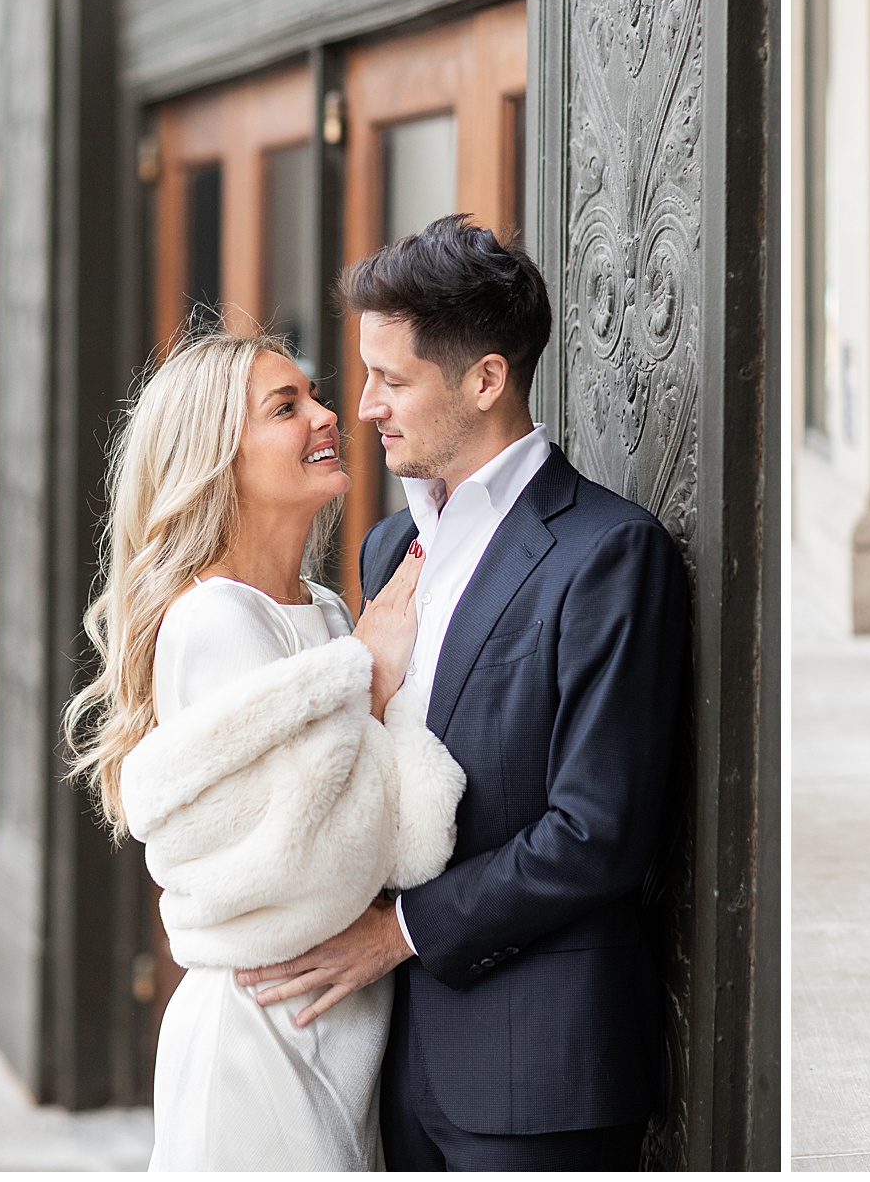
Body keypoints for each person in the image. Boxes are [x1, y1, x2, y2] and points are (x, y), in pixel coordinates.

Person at [236, 215, 690, 1171]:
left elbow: (597, 833)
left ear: (485, 379)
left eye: (391, 379)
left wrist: (399, 934)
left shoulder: (607, 554)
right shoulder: (385, 550)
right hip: (391, 1067)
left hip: (541, 1070)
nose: (361, 408)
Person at [64, 330, 463, 1170]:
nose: (328, 415)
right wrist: (377, 679)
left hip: (335, 1036)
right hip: (256, 1044)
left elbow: (379, 824)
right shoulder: (215, 621)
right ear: (219, 458)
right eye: (286, 408)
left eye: (313, 395)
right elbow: (312, 865)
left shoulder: (320, 609)